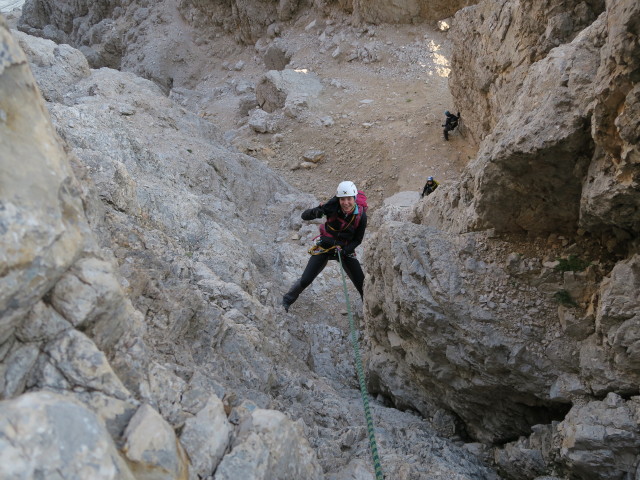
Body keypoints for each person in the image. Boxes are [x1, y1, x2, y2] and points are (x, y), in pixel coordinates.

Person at [282, 181, 367, 313]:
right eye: (342, 199)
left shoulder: (361, 215)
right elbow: (305, 215)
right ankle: (287, 300)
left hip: (345, 249)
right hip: (326, 246)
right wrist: (318, 210)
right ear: (338, 199)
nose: (346, 203)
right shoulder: (331, 208)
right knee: (305, 279)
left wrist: (346, 250)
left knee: (362, 285)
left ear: (354, 198)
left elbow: (358, 239)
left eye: (349, 199)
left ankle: (369, 312)